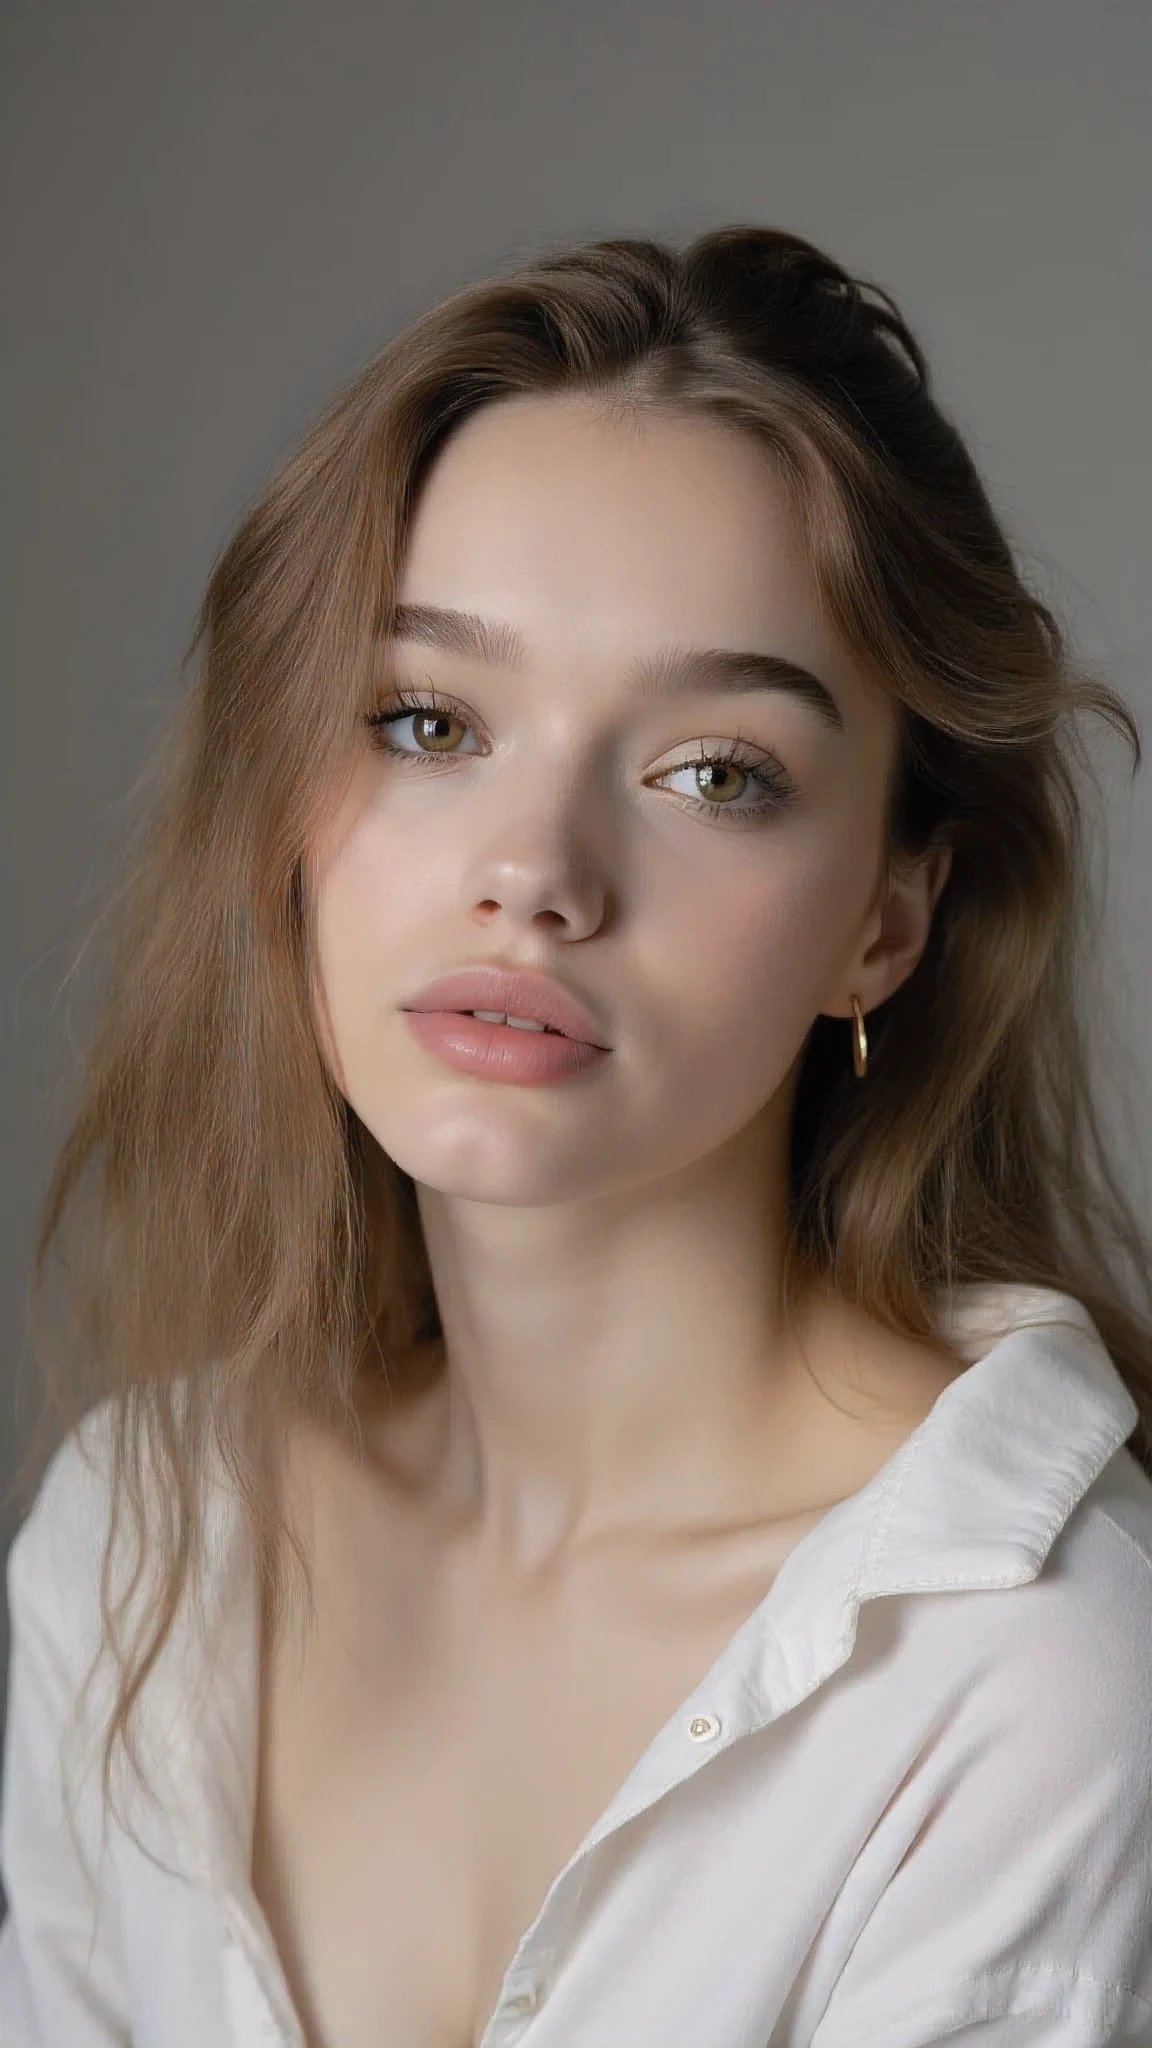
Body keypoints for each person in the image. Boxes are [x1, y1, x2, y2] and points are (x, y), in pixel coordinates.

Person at [2, 224, 1151, 2048]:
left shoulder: (1030, 1677)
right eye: (427, 719)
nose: (532, 871)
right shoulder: (144, 1544)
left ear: (890, 917)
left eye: (715, 772)